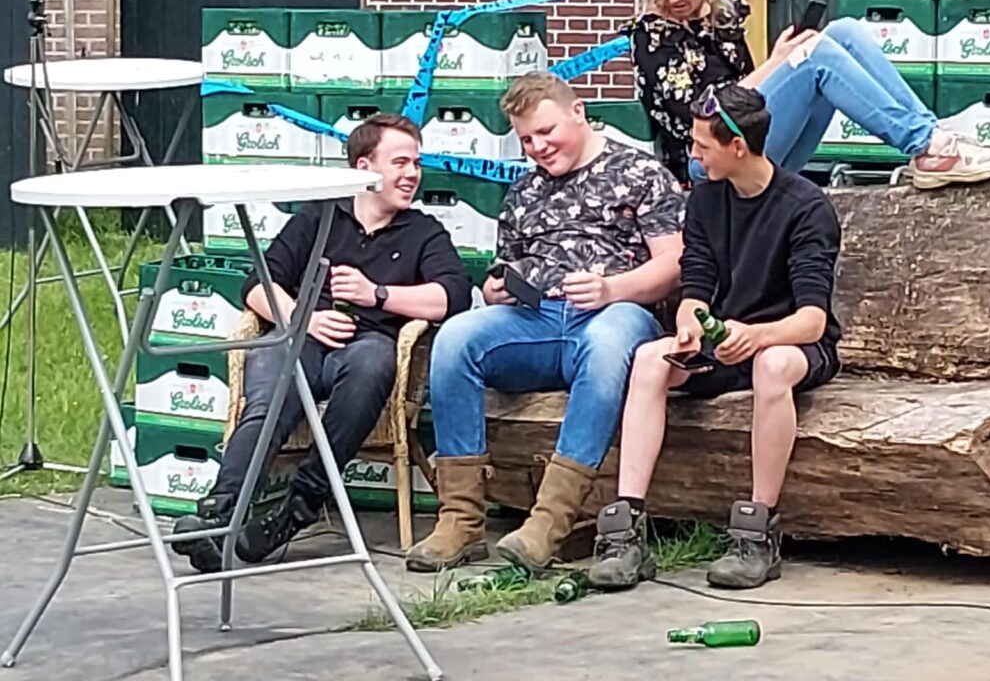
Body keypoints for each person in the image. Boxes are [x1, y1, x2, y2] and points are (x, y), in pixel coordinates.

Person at [405, 72, 686, 574]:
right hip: (534, 319)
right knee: (456, 337)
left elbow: (674, 264)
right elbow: (505, 263)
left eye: (546, 132)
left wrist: (612, 288)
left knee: (608, 339)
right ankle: (460, 520)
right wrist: (497, 286)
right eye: (526, 139)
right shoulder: (524, 189)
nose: (537, 147)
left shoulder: (641, 173)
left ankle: (549, 522)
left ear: (578, 111)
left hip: (616, 313)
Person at [171, 114, 472, 573]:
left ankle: (302, 503)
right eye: (400, 163)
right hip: (303, 337)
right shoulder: (319, 218)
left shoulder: (422, 231)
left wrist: (377, 294)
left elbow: (453, 296)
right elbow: (257, 284)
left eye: (416, 163)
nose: (413, 173)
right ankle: (220, 512)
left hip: (366, 346)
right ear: (364, 167)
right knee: (271, 391)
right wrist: (303, 318)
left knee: (373, 360)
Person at [588, 84, 842, 591]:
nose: (694, 154)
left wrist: (757, 335)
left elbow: (812, 320)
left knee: (772, 366)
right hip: (724, 340)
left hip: (791, 342)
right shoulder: (705, 200)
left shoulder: (805, 206)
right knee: (651, 358)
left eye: (702, 145)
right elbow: (696, 284)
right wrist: (690, 321)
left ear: (737, 147)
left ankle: (757, 531)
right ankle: (626, 530)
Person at [626, 0, 990, 190]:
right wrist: (778, 63)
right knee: (817, 57)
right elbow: (707, 116)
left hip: (749, 145)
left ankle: (931, 137)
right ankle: (926, 145)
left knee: (844, 31)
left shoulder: (721, 22)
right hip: (708, 167)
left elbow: (746, 96)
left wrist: (780, 62)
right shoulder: (650, 37)